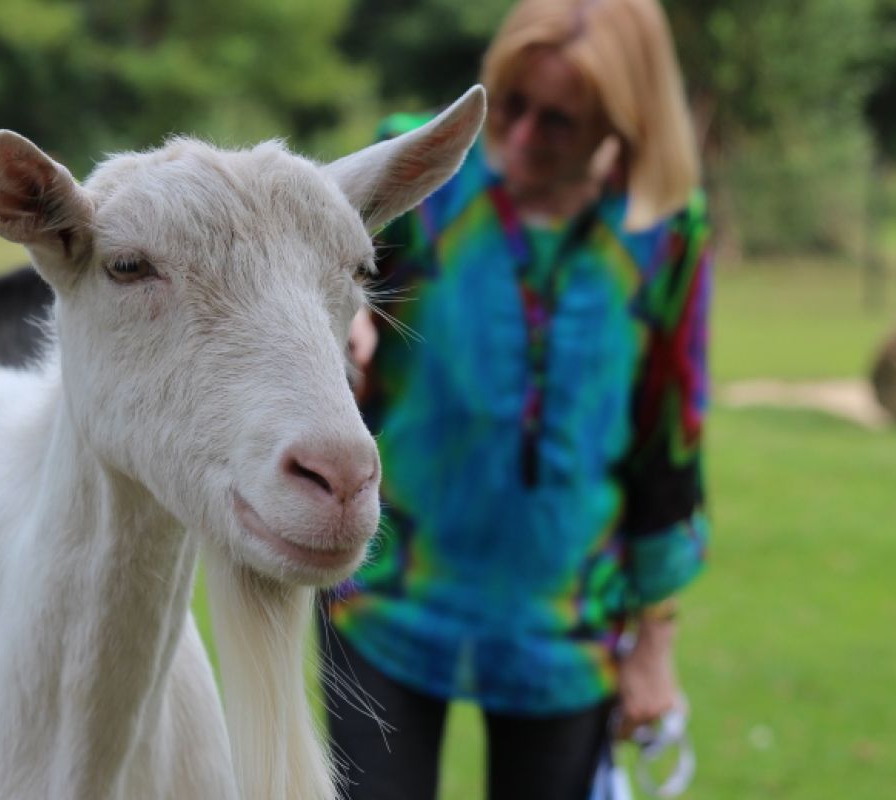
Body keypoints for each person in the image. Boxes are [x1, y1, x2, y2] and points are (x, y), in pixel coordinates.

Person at [323, 0, 711, 798]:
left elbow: (666, 438)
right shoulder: (425, 168)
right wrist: (342, 326)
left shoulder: (663, 230)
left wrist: (654, 643)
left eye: (560, 120)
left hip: (562, 631)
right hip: (387, 597)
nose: (524, 137)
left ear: (624, 120)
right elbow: (313, 289)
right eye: (512, 105)